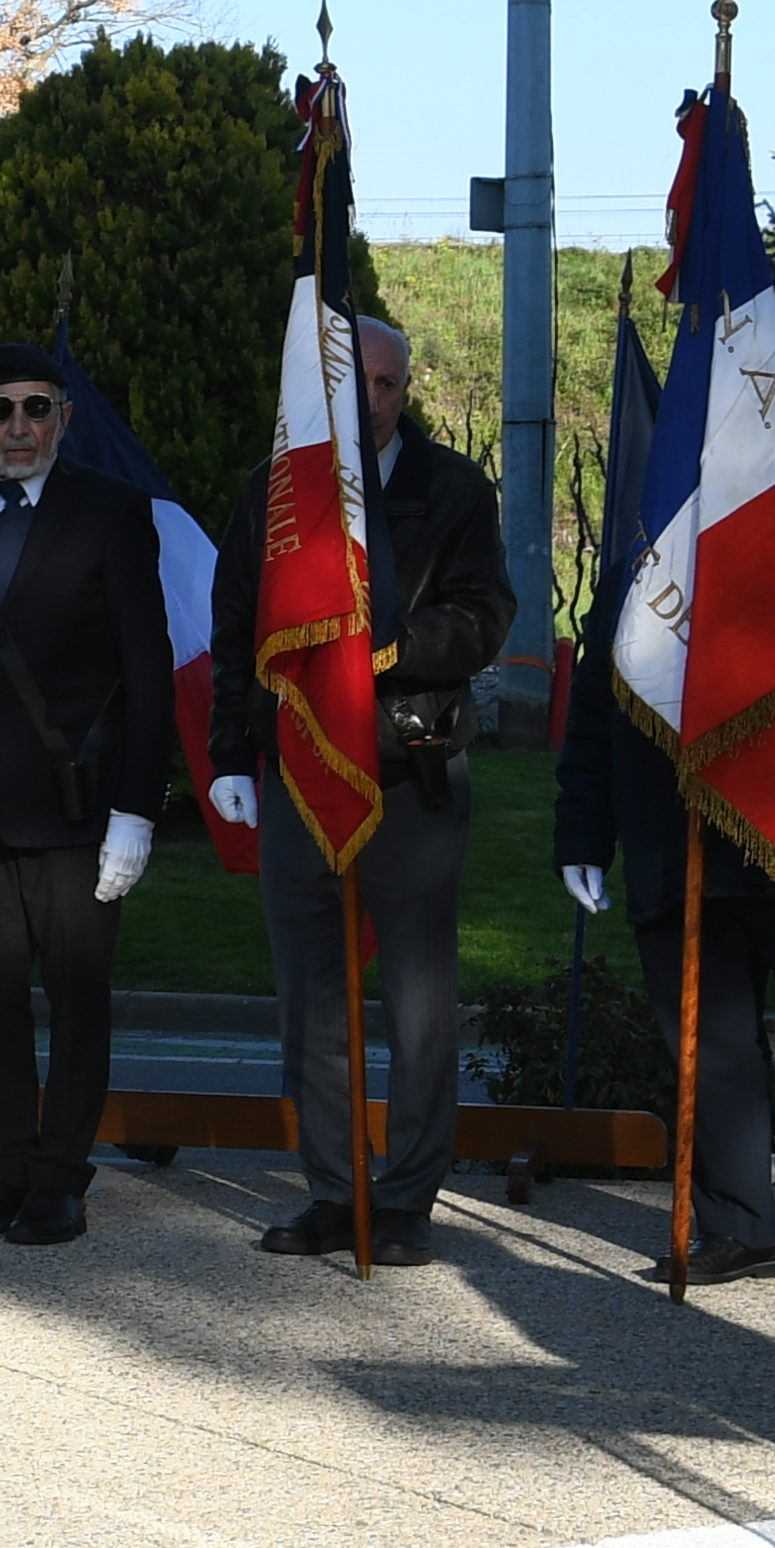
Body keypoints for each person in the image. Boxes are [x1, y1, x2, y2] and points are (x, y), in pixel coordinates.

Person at [203, 313, 514, 1269]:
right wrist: (225, 757)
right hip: (297, 770)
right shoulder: (273, 495)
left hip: (409, 766)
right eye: (355, 384)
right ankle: (336, 1193)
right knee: (310, 999)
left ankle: (410, 1197)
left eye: (387, 385)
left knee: (421, 1003)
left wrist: (391, 648)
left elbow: (485, 616)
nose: (371, 401)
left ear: (404, 392)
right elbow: (234, 631)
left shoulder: (454, 489)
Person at [553, 486, 775, 1302]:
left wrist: (754, 557)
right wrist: (582, 832)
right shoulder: (644, 562)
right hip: (679, 838)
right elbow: (599, 709)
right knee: (707, 1050)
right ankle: (739, 1228)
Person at [0, 339, 175, 1247]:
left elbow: (148, 670)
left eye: (35, 409)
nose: (17, 427)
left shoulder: (111, 513)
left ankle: (62, 1175)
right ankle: (8, 1166)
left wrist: (138, 807)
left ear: (64, 416)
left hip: (73, 803)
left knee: (75, 993)